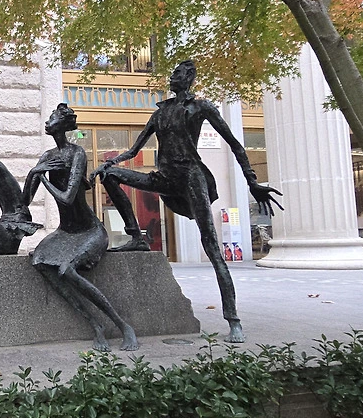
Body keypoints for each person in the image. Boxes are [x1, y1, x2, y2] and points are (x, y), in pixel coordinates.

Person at [92, 60, 282, 343]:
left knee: (212, 247)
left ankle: (233, 320)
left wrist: (252, 181)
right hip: (164, 177)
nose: (173, 77)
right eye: (173, 73)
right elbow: (133, 150)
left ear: (190, 77)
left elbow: (234, 144)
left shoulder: (202, 107)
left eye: (179, 73)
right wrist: (108, 163)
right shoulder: (161, 112)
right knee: (110, 177)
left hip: (191, 178)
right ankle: (137, 237)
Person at [25, 104, 138, 352]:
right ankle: (95, 325)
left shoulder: (77, 154)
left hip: (89, 231)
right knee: (40, 261)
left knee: (67, 270)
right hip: (64, 233)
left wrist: (42, 177)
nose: (48, 121)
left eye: (53, 117)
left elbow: (67, 198)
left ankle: (123, 326)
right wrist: (34, 173)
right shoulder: (47, 157)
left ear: (64, 124)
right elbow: (24, 202)